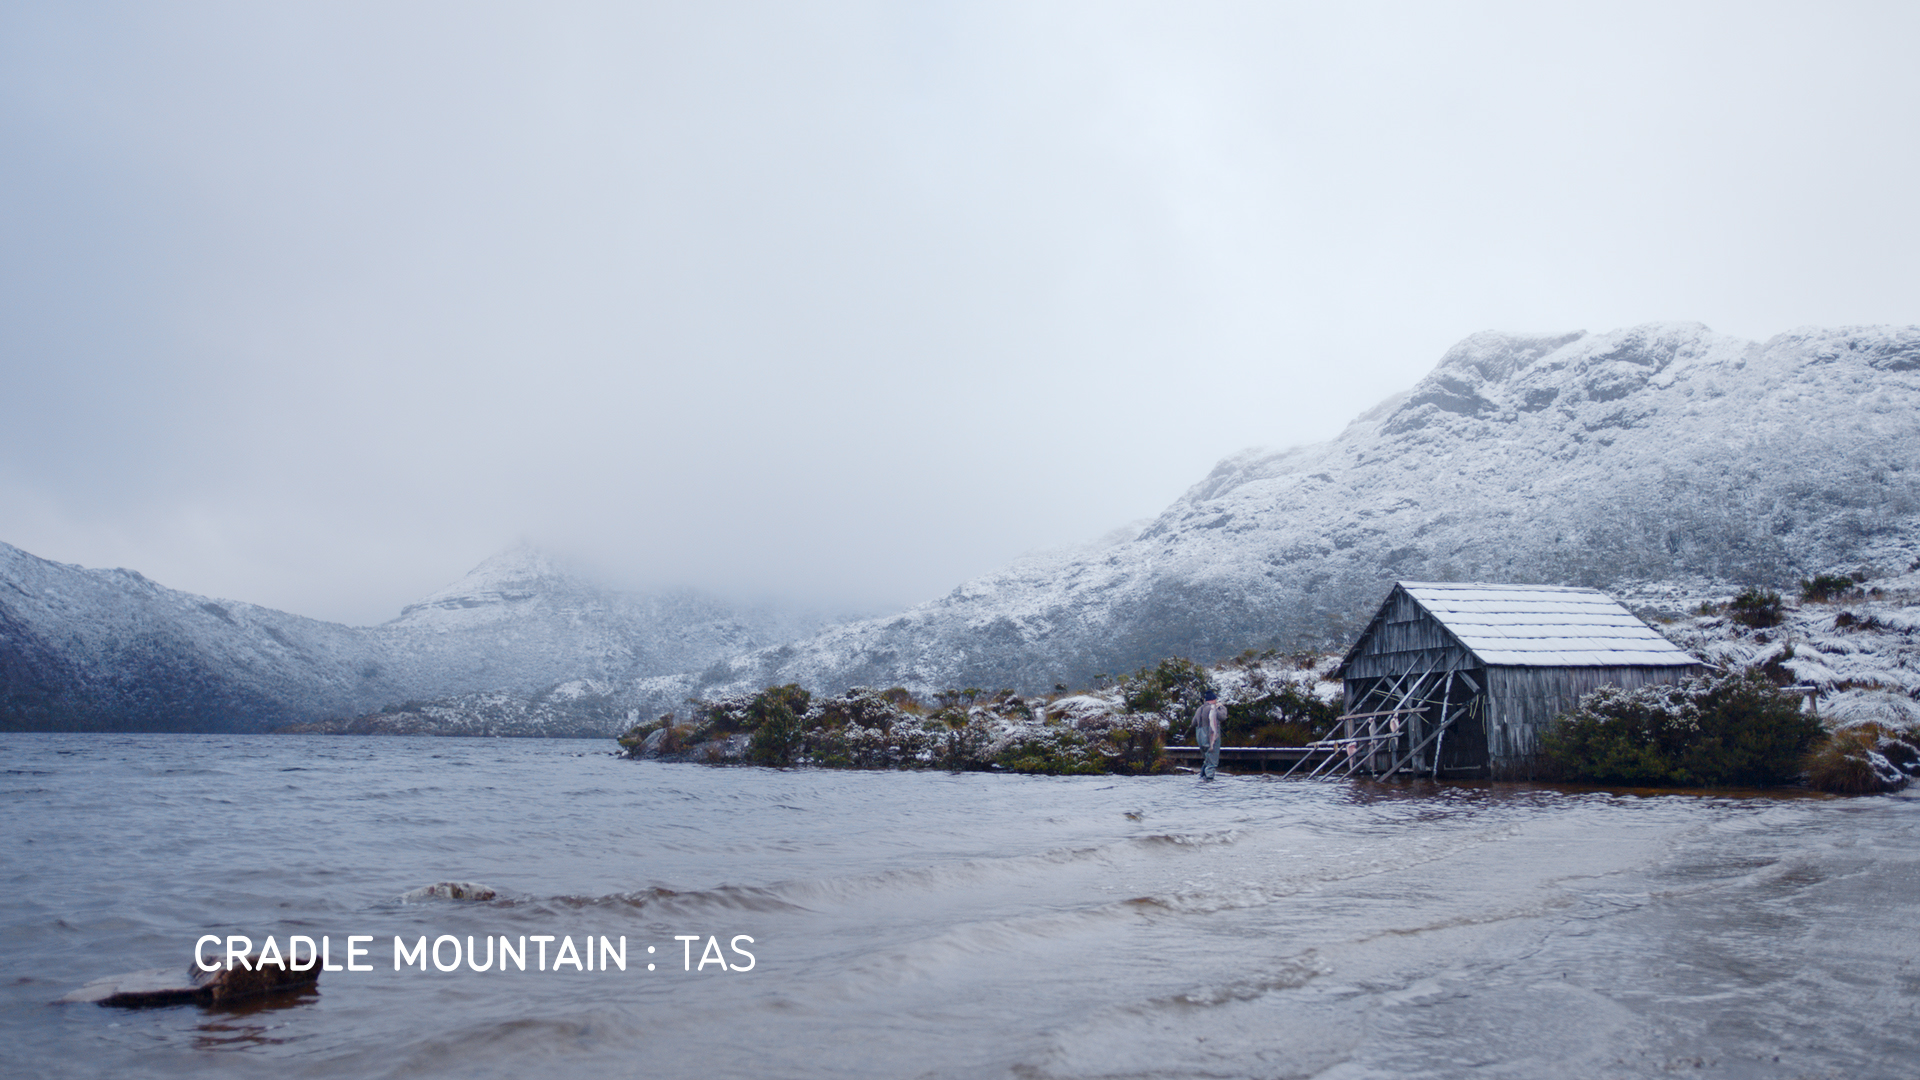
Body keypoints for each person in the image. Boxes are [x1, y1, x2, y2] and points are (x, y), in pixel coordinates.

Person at [1193, 690, 1227, 781]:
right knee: (1212, 760)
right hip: (1211, 734)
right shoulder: (1213, 708)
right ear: (1213, 699)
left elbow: (1193, 723)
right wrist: (1221, 707)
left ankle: (1202, 777)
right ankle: (1209, 781)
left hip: (1199, 735)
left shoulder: (1199, 709)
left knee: (1207, 759)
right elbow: (1223, 717)